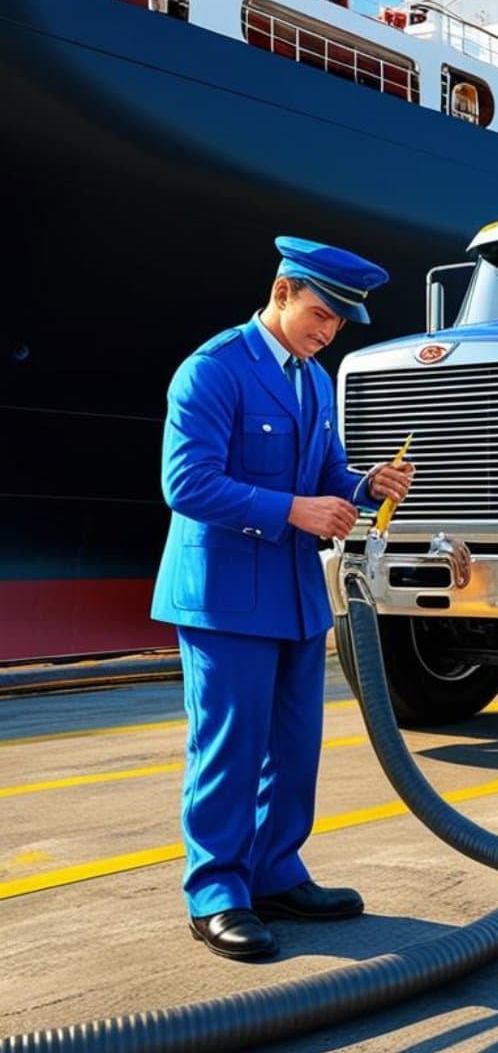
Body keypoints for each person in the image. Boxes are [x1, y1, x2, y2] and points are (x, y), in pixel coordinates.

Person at [151, 237, 415, 960]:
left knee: (294, 749)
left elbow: (324, 468)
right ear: (282, 292)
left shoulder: (312, 379)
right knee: (230, 748)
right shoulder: (212, 370)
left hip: (293, 596)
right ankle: (216, 893)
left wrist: (365, 487)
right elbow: (187, 484)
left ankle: (274, 871)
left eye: (338, 324)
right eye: (321, 314)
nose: (328, 332)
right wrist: (295, 511)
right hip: (225, 596)